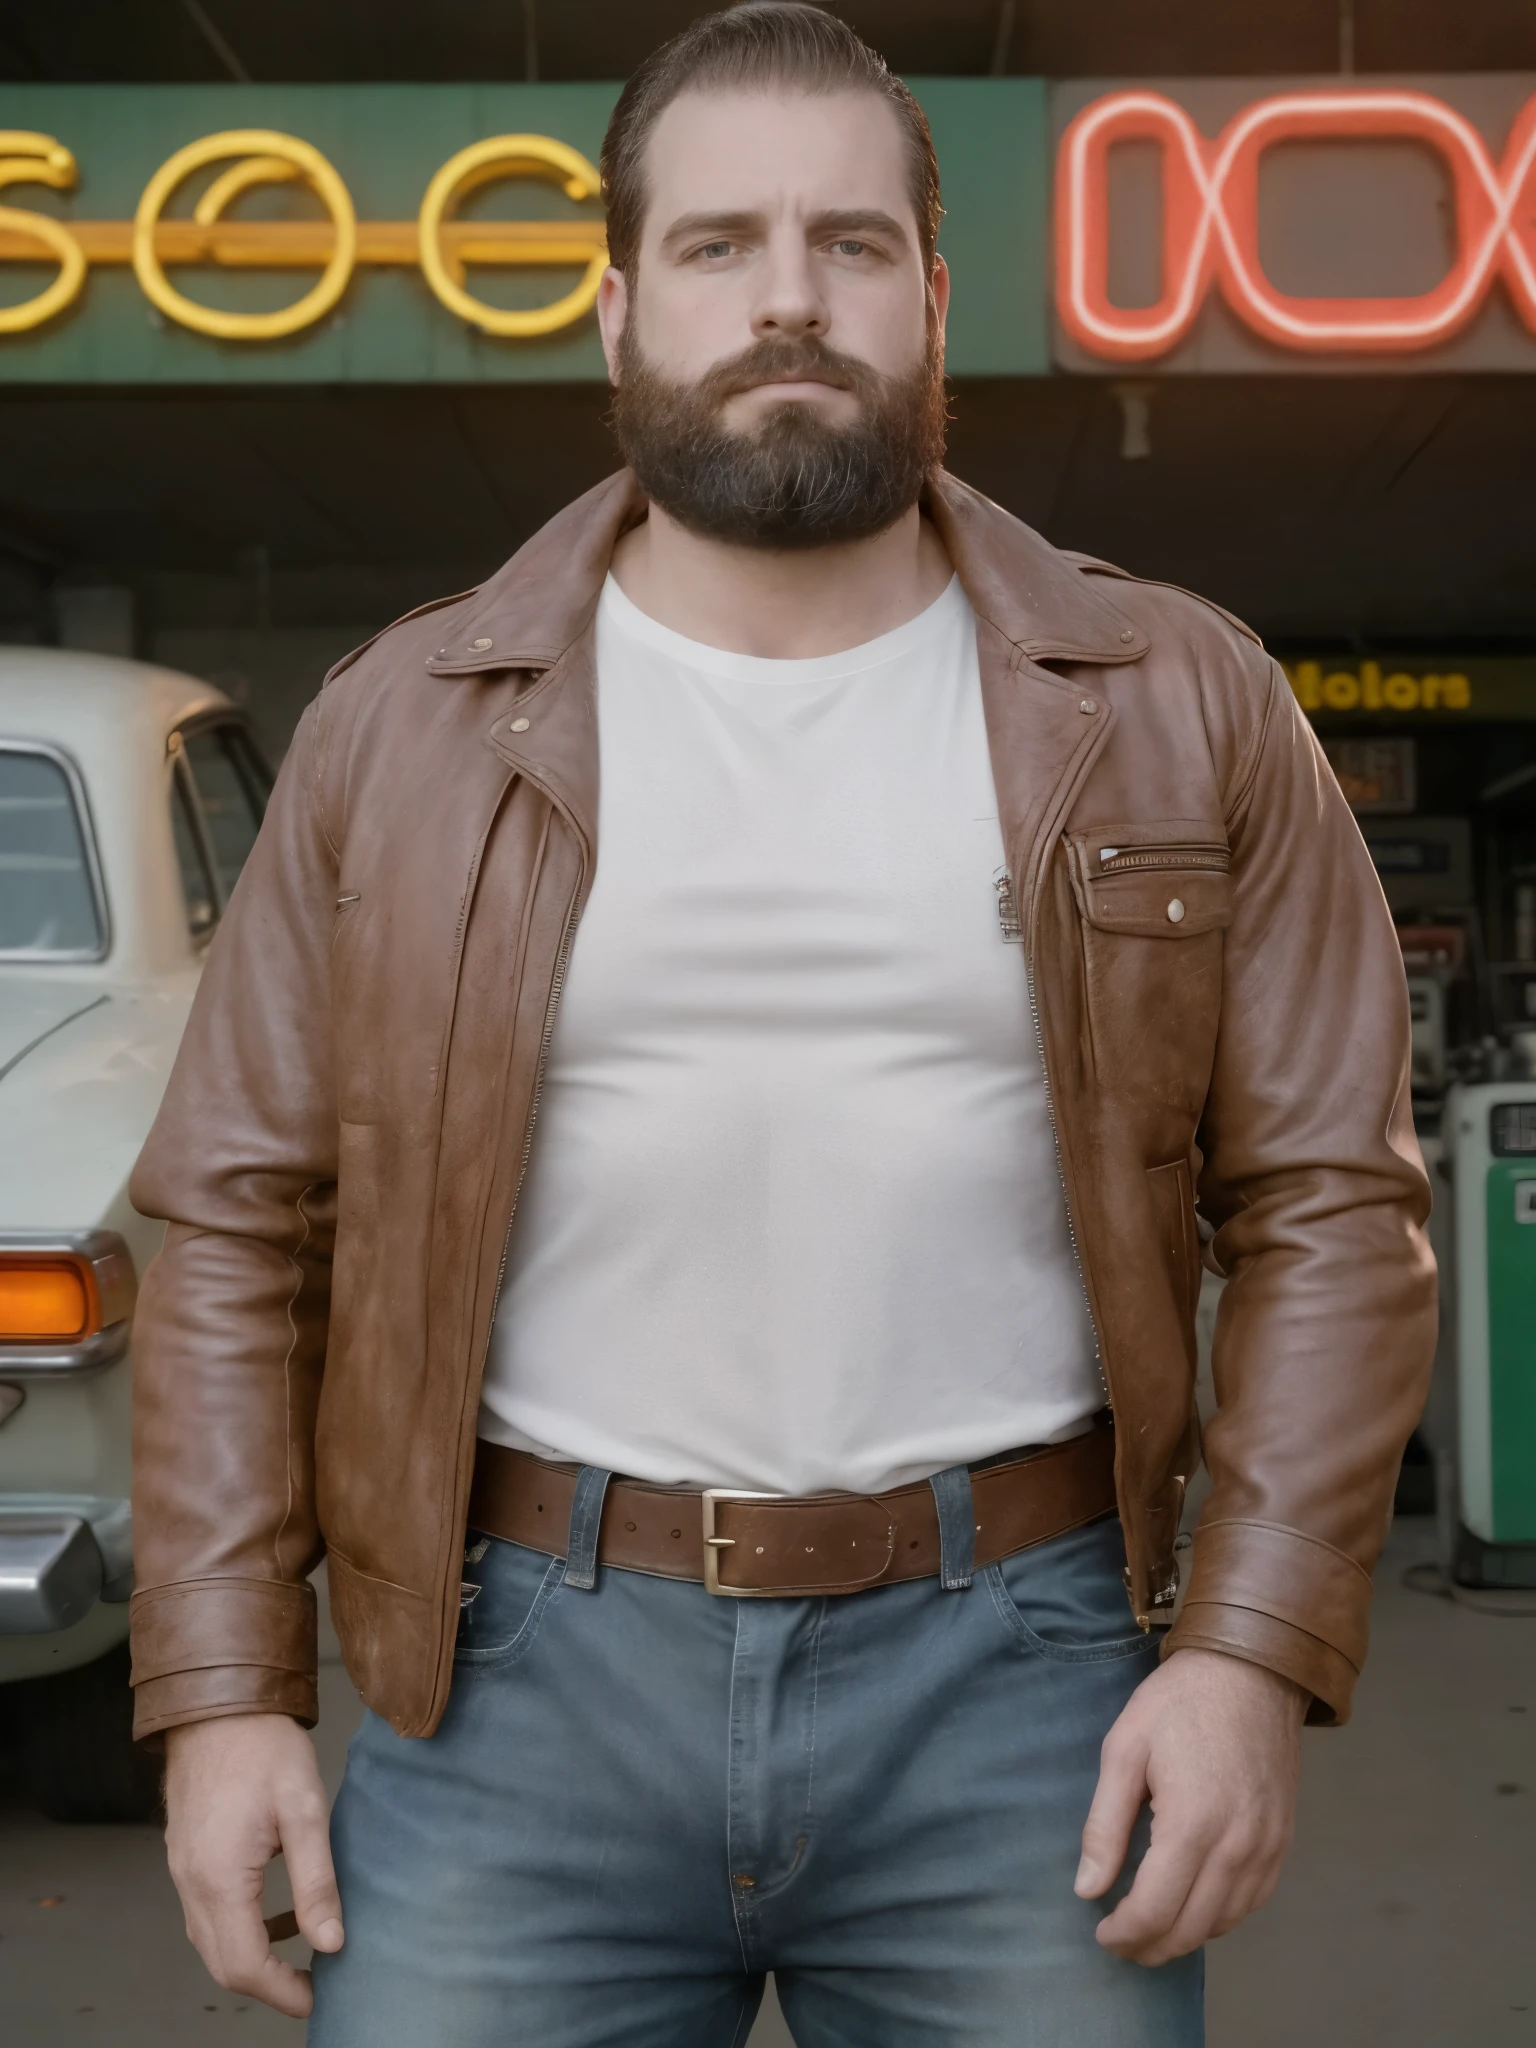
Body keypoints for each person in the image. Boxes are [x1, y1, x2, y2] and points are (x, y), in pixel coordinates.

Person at [129, 7, 1436, 2044]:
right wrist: (222, 1694)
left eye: (847, 241)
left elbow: (1338, 1207)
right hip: (509, 1690)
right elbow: (232, 1221)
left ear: (931, 290)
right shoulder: (405, 723)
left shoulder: (1177, 697)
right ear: (616, 305)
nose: (789, 299)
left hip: (1026, 1686)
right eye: (720, 244)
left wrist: (1247, 1655)